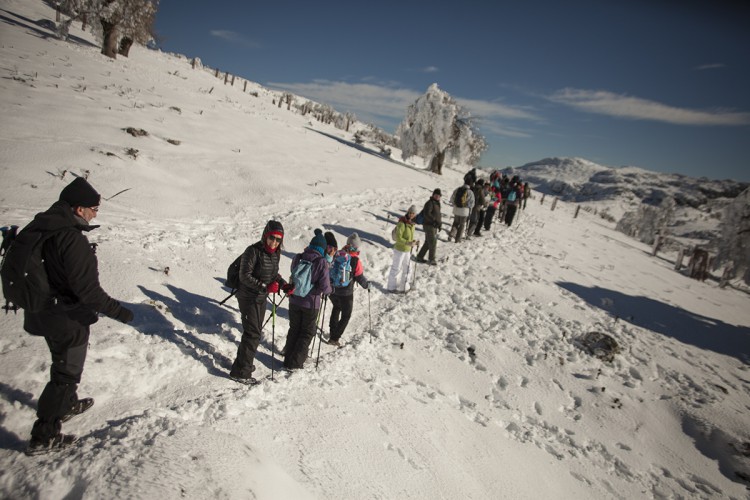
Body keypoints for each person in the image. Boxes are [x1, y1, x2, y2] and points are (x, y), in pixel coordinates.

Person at [19, 177, 134, 455]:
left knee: (62, 362)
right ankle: (44, 435)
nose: (95, 213)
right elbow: (89, 292)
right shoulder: (70, 238)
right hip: (66, 317)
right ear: (79, 208)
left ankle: (67, 404)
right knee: (65, 374)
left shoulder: (42, 226)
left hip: (40, 310)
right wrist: (120, 312)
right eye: (94, 208)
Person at [229, 220, 290, 385]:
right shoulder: (252, 251)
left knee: (254, 333)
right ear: (265, 235)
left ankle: (243, 364)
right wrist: (265, 286)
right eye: (272, 238)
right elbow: (244, 276)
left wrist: (284, 285)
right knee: (253, 334)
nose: (274, 242)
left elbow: (274, 274)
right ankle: (241, 372)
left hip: (260, 298)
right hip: (248, 298)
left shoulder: (275, 254)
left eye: (278, 240)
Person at [283, 229, 332, 369]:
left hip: (293, 300)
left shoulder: (298, 257)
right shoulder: (321, 262)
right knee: (306, 333)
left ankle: (287, 359)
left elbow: (293, 274)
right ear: (322, 249)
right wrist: (330, 290)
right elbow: (324, 286)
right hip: (310, 303)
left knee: (294, 330)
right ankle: (295, 363)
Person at [327, 232, 369, 346]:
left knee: (336, 307)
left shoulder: (338, 254)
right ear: (356, 247)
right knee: (346, 315)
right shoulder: (355, 260)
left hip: (333, 290)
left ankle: (332, 332)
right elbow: (359, 276)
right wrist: (367, 285)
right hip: (346, 293)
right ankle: (334, 338)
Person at [387, 206, 419, 293]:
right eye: (410, 213)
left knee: (408, 268)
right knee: (396, 268)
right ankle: (391, 287)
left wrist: (413, 242)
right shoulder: (402, 222)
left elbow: (409, 237)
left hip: (407, 250)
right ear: (408, 212)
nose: (412, 215)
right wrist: (408, 243)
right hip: (400, 249)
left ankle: (404, 287)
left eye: (413, 213)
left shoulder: (412, 223)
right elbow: (398, 237)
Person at [415, 189, 442, 265]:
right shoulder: (429, 203)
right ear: (433, 195)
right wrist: (434, 221)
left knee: (428, 242)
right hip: (429, 225)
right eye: (436, 195)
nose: (437, 197)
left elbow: (438, 215)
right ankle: (431, 259)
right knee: (433, 242)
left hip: (434, 226)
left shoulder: (437, 203)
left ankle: (420, 257)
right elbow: (427, 214)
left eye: (439, 196)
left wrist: (439, 224)